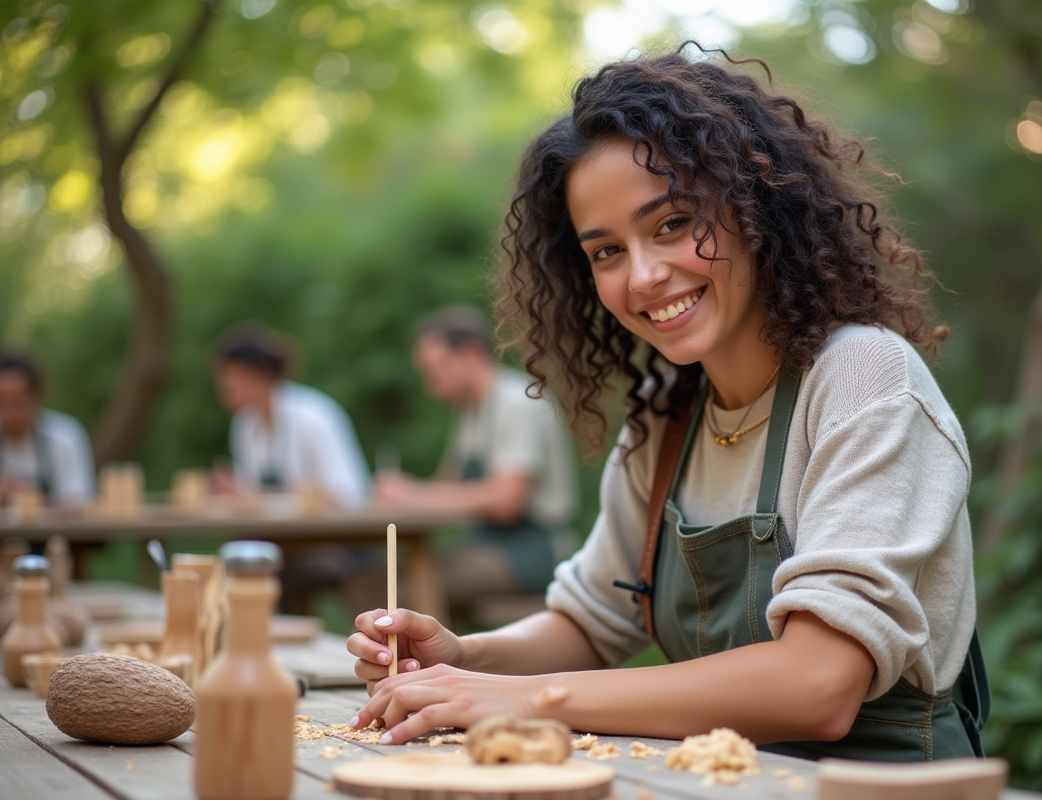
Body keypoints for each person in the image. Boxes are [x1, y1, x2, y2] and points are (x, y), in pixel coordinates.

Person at [345, 48, 988, 762]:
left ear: (755, 205)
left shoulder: (862, 376)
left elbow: (819, 684)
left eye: (674, 223)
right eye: (607, 251)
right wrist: (460, 661)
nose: (645, 275)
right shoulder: (665, 417)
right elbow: (590, 626)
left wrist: (533, 700)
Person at [373, 306, 578, 614]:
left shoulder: (518, 402)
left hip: (534, 551)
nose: (432, 387)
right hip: (487, 546)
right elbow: (449, 486)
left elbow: (507, 501)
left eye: (436, 372)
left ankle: (429, 662)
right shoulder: (470, 411)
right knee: (374, 579)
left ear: (469, 354)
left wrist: (413, 495)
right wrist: (405, 493)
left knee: (407, 591)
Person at [212, 323, 370, 510]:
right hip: (272, 535)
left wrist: (267, 498)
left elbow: (352, 494)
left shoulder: (313, 416)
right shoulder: (244, 424)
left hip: (328, 536)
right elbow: (252, 496)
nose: (223, 390)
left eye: (229, 380)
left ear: (259, 374)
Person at [0, 352, 94, 506]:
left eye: (18, 403)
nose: (10, 414)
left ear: (37, 396)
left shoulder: (65, 436)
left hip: (56, 531)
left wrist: (30, 497)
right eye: (1, 403)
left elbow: (82, 502)